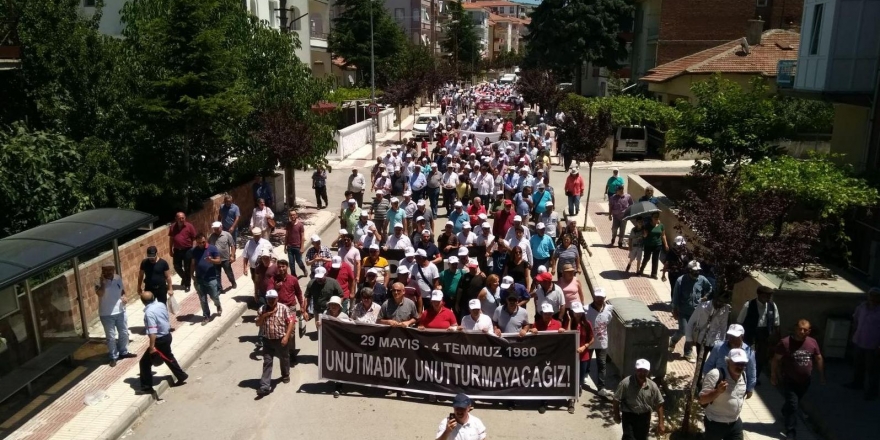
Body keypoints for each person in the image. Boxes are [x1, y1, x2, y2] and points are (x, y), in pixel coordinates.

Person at [771, 319, 826, 440]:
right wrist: (773, 375)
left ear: (809, 331)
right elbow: (775, 360)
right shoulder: (785, 343)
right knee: (794, 404)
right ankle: (791, 432)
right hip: (789, 380)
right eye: (800, 329)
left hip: (805, 381)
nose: (802, 331)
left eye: (805, 330)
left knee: (792, 404)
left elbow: (818, 358)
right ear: (795, 328)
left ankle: (785, 411)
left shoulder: (812, 342)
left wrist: (822, 375)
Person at [139, 291, 188, 393]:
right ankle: (181, 375)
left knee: (144, 363)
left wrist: (152, 347)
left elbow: (153, 331)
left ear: (143, 301)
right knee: (168, 357)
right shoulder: (160, 304)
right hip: (167, 336)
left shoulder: (149, 313)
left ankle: (147, 386)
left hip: (159, 340)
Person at [700, 349, 750, 440]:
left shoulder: (743, 375)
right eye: (737, 363)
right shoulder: (715, 375)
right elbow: (702, 400)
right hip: (715, 423)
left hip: (735, 422)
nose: (740, 366)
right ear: (728, 362)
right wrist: (717, 391)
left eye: (743, 364)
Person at [670, 260, 713, 359]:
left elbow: (709, 288)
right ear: (689, 270)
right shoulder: (680, 280)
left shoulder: (702, 279)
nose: (696, 273)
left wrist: (705, 297)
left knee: (692, 334)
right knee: (683, 331)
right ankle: (673, 340)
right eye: (694, 271)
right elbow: (675, 296)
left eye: (698, 271)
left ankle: (687, 352)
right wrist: (674, 310)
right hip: (683, 311)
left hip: (696, 312)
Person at [737, 285, 780, 384]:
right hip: (750, 333)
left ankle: (755, 377)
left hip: (764, 333)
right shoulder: (749, 305)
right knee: (747, 355)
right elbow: (740, 321)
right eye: (766, 295)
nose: (768, 298)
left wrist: (775, 336)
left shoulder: (772, 306)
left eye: (770, 296)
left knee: (761, 357)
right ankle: (744, 376)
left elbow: (776, 323)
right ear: (759, 295)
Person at [255, 290, 294, 396]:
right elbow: (257, 324)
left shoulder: (283, 308)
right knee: (267, 361)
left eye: (273, 299)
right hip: (267, 340)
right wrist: (264, 316)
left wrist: (286, 336)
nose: (271, 301)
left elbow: (291, 322)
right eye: (269, 299)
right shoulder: (262, 309)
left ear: (277, 298)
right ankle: (265, 386)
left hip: (280, 339)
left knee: (284, 358)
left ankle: (285, 374)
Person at [613, 359, 665, 440]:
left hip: (644, 417)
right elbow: (616, 399)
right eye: (639, 370)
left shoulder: (652, 386)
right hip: (629, 415)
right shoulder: (625, 383)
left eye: (645, 371)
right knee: (629, 438)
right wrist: (616, 415)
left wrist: (661, 423)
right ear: (635, 370)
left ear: (648, 372)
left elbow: (659, 403)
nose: (642, 373)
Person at [704, 324, 757, 398]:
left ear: (742, 336)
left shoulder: (749, 352)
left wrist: (750, 389)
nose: (731, 339)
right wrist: (706, 382)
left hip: (737, 388)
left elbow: (751, 372)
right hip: (718, 386)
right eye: (730, 336)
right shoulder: (719, 347)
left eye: (735, 336)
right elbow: (709, 365)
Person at [95, 262, 133, 367]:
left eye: (109, 270)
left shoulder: (117, 278)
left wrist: (124, 296)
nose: (107, 272)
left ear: (113, 269)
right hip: (106, 314)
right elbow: (100, 293)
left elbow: (122, 290)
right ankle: (113, 356)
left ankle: (124, 352)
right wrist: (103, 282)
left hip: (120, 310)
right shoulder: (98, 282)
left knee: (124, 332)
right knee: (111, 337)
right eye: (105, 270)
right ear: (102, 271)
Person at [849, 286, 880, 400]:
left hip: (873, 345)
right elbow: (855, 321)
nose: (873, 298)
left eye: (876, 296)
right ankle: (857, 384)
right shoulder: (862, 307)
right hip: (859, 341)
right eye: (871, 295)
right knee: (858, 365)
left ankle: (872, 391)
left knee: (872, 369)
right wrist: (853, 334)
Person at [686, 295, 732, 365]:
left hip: (715, 341)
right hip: (701, 340)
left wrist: (722, 344)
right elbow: (691, 322)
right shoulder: (702, 307)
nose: (720, 304)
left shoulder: (725, 309)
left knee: (715, 363)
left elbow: (723, 327)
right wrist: (689, 339)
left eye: (723, 303)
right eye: (719, 301)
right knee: (700, 364)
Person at [585, 288, 614, 398]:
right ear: (594, 297)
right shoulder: (586, 309)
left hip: (602, 342)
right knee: (585, 362)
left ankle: (601, 387)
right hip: (589, 342)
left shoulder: (609, 309)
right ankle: (582, 379)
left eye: (601, 297)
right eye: (597, 297)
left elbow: (608, 321)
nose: (599, 299)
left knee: (602, 364)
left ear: (604, 298)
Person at [189, 233, 223, 324]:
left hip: (211, 278)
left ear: (206, 240)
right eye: (199, 243)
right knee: (203, 299)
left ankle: (218, 305)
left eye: (203, 242)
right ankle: (206, 316)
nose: (201, 244)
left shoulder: (212, 248)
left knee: (214, 296)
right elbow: (192, 263)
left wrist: (211, 260)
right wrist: (192, 275)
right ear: (196, 242)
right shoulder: (194, 251)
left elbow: (219, 260)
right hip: (199, 279)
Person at [168, 212, 197, 293]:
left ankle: (187, 284)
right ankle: (184, 277)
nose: (181, 219)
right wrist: (170, 249)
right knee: (176, 266)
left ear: (185, 218)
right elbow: (171, 239)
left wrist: (193, 249)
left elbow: (194, 238)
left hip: (188, 249)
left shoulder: (189, 226)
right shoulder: (173, 227)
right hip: (177, 250)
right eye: (179, 218)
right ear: (176, 219)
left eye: (183, 218)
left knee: (187, 267)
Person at [638, 212, 668, 279]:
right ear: (651, 218)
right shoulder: (647, 225)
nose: (656, 218)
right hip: (648, 245)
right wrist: (645, 234)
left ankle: (654, 274)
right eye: (655, 217)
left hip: (657, 245)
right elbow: (644, 236)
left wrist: (666, 244)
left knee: (655, 259)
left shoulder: (661, 225)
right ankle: (641, 270)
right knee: (646, 258)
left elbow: (663, 235)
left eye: (657, 217)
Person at [208, 221, 237, 291]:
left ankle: (233, 282)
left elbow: (233, 245)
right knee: (217, 275)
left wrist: (232, 256)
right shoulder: (211, 237)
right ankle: (220, 289)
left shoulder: (227, 235)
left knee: (229, 273)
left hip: (225, 259)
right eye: (214, 229)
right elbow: (208, 247)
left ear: (221, 227)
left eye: (217, 228)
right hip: (216, 260)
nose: (216, 230)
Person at [284, 210, 308, 278]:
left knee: (299, 261)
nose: (292, 216)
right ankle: (293, 276)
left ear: (296, 215)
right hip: (290, 247)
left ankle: (304, 269)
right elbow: (286, 236)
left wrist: (302, 247)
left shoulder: (300, 225)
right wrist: (285, 247)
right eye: (291, 215)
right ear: (289, 216)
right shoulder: (288, 225)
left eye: (294, 215)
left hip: (297, 247)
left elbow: (302, 237)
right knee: (291, 263)